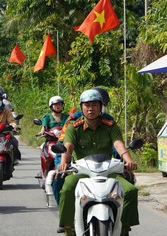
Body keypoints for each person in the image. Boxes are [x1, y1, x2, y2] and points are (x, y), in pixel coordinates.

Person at [56, 89, 138, 236]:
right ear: (81, 107)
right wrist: (63, 163)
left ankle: (124, 227)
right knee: (67, 188)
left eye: (94, 104)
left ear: (101, 107)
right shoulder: (73, 127)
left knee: (130, 190)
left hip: (109, 170)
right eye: (87, 105)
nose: (90, 108)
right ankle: (68, 228)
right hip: (82, 171)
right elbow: (67, 148)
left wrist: (129, 160)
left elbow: (119, 144)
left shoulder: (110, 125)